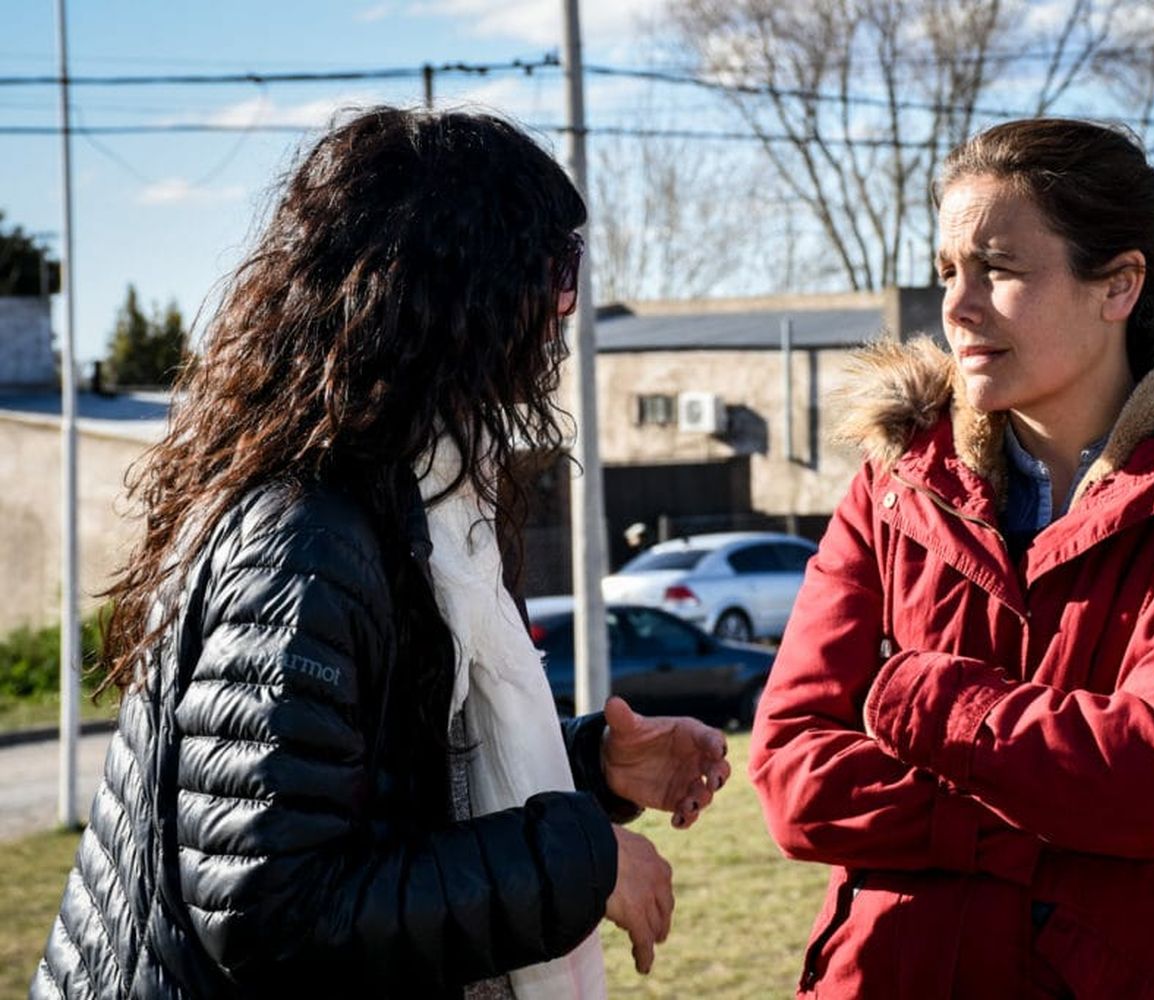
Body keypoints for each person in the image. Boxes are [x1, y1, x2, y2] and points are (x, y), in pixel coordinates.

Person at [33, 107, 731, 1000]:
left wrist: (587, 770)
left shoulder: (402, 506)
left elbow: (378, 786)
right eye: (552, 271)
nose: (564, 313)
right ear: (454, 293)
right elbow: (269, 904)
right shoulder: (308, 540)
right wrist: (579, 863)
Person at [750, 118, 1154, 998]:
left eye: (999, 270)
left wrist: (909, 693)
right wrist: (1059, 813)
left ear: (1118, 285)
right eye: (948, 273)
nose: (959, 309)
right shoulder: (895, 482)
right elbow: (793, 779)